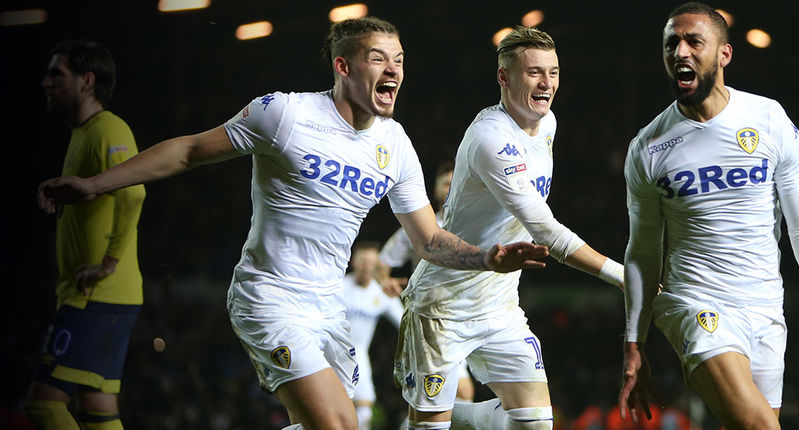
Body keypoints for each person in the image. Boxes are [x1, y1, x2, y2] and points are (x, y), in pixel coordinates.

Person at [36, 17, 548, 430]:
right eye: (378, 59)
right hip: (270, 296)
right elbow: (189, 150)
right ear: (342, 65)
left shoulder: (395, 145)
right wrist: (94, 184)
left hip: (329, 306)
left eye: (399, 60)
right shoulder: (284, 114)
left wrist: (487, 258)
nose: (394, 70)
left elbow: (429, 239)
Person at [618, 3, 799, 428]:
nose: (680, 52)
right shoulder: (647, 147)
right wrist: (633, 342)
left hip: (765, 307)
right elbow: (641, 251)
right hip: (694, 303)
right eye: (671, 44)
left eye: (694, 41)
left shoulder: (768, 120)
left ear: (724, 55)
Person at [394, 26, 625, 430]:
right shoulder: (491, 138)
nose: (546, 83)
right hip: (443, 305)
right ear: (504, 77)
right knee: (429, 426)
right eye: (534, 72)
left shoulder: (547, 123)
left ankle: (451, 415)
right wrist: (624, 277)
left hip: (499, 306)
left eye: (553, 72)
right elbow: (546, 231)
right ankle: (429, 415)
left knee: (535, 422)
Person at [25, 40, 147, 430]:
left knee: (43, 405)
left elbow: (134, 191)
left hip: (97, 295)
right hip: (96, 296)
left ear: (86, 81)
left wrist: (108, 263)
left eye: (56, 74)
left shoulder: (109, 129)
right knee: (96, 406)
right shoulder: (83, 132)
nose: (46, 82)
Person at [378, 161, 477, 404]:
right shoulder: (421, 227)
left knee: (437, 396)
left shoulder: (476, 227)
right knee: (458, 393)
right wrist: (384, 281)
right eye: (446, 183)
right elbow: (383, 262)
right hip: (431, 318)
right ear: (436, 190)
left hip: (470, 315)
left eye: (457, 183)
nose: (451, 188)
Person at [343, 241, 405, 430]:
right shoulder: (337, 286)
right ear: (353, 262)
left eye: (372, 262)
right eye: (363, 261)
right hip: (328, 354)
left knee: (364, 412)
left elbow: (404, 322)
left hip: (358, 355)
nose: (367, 266)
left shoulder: (381, 293)